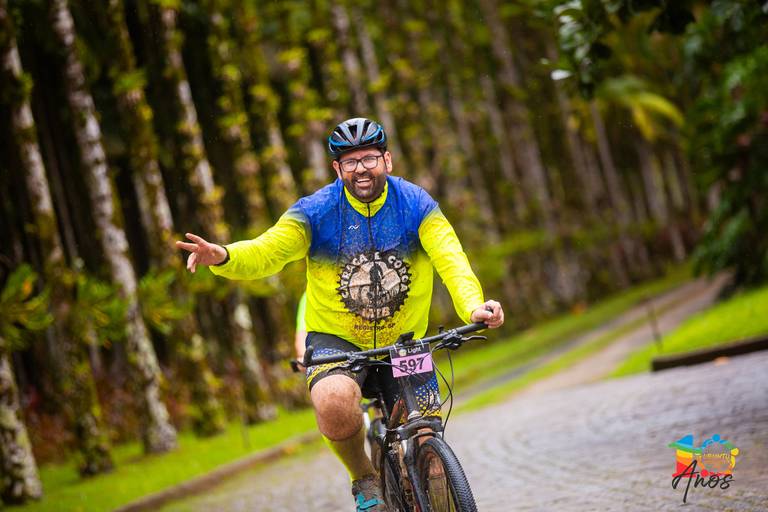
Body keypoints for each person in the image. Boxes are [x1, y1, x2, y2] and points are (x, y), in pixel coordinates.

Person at [176, 117, 504, 511]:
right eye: (350, 162)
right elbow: (267, 251)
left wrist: (473, 306)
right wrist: (224, 255)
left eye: (369, 158)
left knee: (428, 441)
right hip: (337, 340)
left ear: (387, 160)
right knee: (333, 400)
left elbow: (452, 259)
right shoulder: (315, 212)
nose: (361, 168)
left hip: (405, 342)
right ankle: (364, 478)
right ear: (337, 169)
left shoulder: (416, 204)